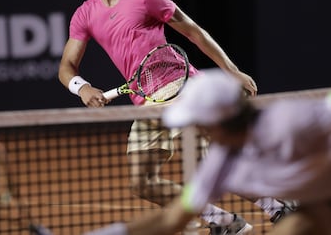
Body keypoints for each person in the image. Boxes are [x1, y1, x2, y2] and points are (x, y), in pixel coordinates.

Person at [58, 0, 258, 233]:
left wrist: (232, 70)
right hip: (146, 100)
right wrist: (82, 87)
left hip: (178, 84)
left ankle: (276, 206)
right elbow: (66, 67)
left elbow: (194, 31)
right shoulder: (84, 14)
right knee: (142, 182)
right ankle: (226, 222)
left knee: (211, 164)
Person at [84, 69, 331, 235]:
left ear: (216, 122)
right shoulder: (220, 162)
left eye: (196, 121)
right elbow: (171, 219)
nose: (191, 127)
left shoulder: (289, 122)